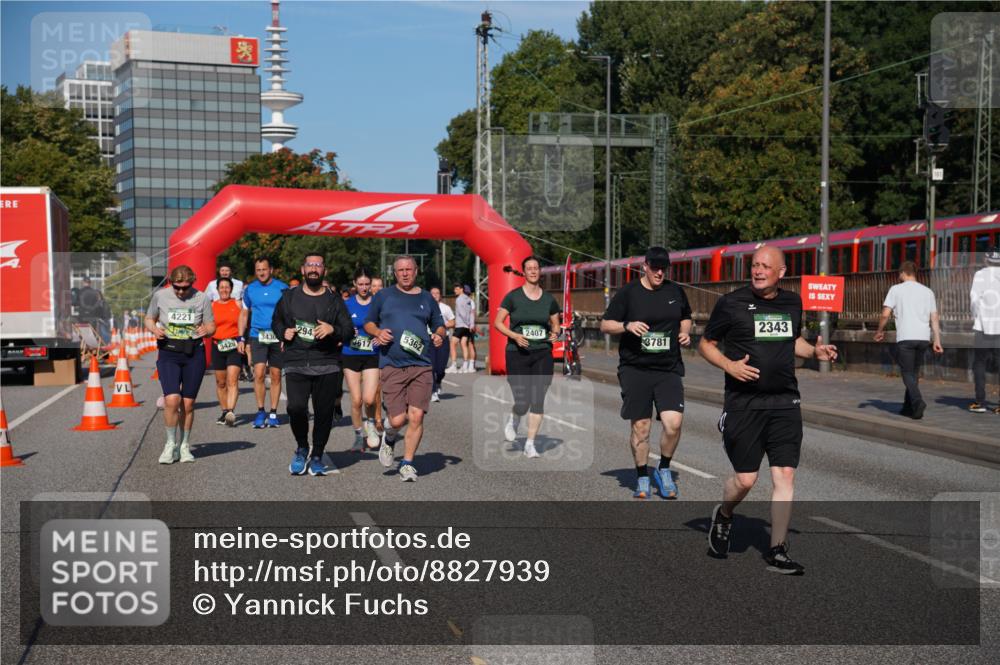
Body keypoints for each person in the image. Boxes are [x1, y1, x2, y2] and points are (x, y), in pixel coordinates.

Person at [699, 246, 837, 575]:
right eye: (754, 265)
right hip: (744, 403)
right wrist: (729, 366)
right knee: (746, 479)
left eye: (765, 266)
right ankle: (725, 514)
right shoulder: (731, 302)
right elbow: (706, 343)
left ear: (781, 272)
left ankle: (777, 549)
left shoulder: (792, 302)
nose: (758, 271)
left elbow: (793, 341)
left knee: (785, 474)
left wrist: (814, 350)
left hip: (784, 401)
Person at [600, 247, 692, 496]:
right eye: (655, 267)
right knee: (641, 426)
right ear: (645, 266)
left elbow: (686, 316)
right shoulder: (629, 293)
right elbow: (605, 324)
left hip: (668, 368)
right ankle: (642, 476)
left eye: (664, 268)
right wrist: (626, 325)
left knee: (673, 424)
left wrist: (685, 331)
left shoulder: (675, 291)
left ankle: (663, 469)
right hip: (635, 368)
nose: (660, 272)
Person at [364, 255, 446, 481]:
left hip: (421, 364)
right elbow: (369, 322)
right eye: (400, 270)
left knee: (417, 416)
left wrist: (439, 336)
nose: (405, 273)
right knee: (398, 419)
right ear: (395, 273)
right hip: (392, 364)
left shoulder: (427, 298)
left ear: (416, 271)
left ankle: (407, 463)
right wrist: (377, 332)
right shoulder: (383, 296)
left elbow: (439, 325)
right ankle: (390, 437)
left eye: (409, 269)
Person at [271, 253, 354, 476]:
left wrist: (332, 329)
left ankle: (317, 454)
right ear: (303, 269)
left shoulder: (334, 300)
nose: (314, 269)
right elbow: (276, 321)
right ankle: (301, 447)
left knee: (324, 412)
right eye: (310, 265)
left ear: (324, 270)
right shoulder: (288, 297)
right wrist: (283, 332)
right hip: (297, 360)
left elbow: (348, 331)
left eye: (318, 265)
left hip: (327, 362)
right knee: (295, 408)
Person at [146, 266, 216, 464]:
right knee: (172, 400)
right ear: (171, 282)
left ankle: (184, 445)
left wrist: (207, 330)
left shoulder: (202, 298)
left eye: (185, 288)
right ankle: (170, 444)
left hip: (194, 353)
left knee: (188, 403)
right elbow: (149, 318)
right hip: (169, 351)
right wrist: (154, 329)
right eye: (177, 287)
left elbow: (212, 325)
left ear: (192, 283)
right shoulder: (160, 296)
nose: (180, 292)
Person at [494, 256, 561, 458]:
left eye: (536, 268)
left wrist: (555, 333)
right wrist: (515, 336)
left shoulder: (549, 299)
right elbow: (498, 322)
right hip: (517, 353)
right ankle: (515, 417)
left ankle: (530, 443)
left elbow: (555, 324)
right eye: (529, 268)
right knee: (523, 401)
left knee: (538, 399)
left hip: (542, 352)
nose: (533, 271)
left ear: (540, 272)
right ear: (523, 272)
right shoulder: (513, 297)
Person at [874, 260, 943, 419]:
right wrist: (937, 340)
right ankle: (909, 408)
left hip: (906, 337)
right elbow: (934, 318)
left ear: (903, 273)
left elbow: (885, 313)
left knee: (906, 373)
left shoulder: (896, 289)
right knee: (913, 373)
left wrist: (879, 331)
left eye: (899, 274)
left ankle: (918, 402)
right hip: (923, 338)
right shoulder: (928, 292)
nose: (899, 277)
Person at [240, 257, 288, 428]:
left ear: (271, 270)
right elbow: (244, 314)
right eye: (258, 270)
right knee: (259, 373)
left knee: (275, 375)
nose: (261, 272)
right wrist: (241, 337)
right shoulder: (250, 289)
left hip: (277, 336)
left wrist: (287, 335)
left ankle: (273, 412)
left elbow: (288, 314)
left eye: (264, 269)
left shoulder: (282, 287)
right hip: (257, 335)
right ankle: (261, 411)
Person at [343, 267, 383, 452]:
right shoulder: (347, 304)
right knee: (356, 400)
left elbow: (387, 324)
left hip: (372, 355)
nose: (364, 287)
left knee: (369, 399)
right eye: (361, 284)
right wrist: (348, 331)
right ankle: (359, 436)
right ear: (354, 284)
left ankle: (371, 425)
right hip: (350, 354)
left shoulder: (378, 303)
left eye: (367, 284)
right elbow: (340, 328)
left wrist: (379, 335)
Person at [969, 246, 1000, 414]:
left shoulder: (980, 275)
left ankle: (980, 402)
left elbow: (974, 300)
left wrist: (976, 317)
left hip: (983, 327)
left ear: (986, 259)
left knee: (980, 364)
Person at [210, 277, 243, 427]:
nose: (224, 289)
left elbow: (245, 320)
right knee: (221, 382)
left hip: (234, 346)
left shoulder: (237, 303)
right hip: (217, 346)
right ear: (217, 290)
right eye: (221, 287)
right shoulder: (211, 306)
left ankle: (230, 411)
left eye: (227, 287)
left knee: (232, 380)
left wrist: (243, 340)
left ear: (231, 289)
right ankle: (224, 411)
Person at [430, 286, 456, 402]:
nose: (435, 295)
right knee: (431, 367)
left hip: (443, 340)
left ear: (440, 295)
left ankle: (438, 381)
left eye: (437, 293)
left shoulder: (445, 308)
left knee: (440, 369)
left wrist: (441, 325)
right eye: (433, 293)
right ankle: (433, 391)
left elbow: (453, 322)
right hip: (429, 340)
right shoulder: (426, 307)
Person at [452, 284, 477, 372]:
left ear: (462, 290)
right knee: (466, 344)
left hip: (463, 325)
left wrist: (469, 324)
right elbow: (472, 314)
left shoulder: (460, 299)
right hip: (470, 325)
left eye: (456, 289)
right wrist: (471, 324)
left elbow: (465, 313)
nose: (455, 290)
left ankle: (455, 365)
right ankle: (468, 366)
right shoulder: (470, 301)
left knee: (454, 343)